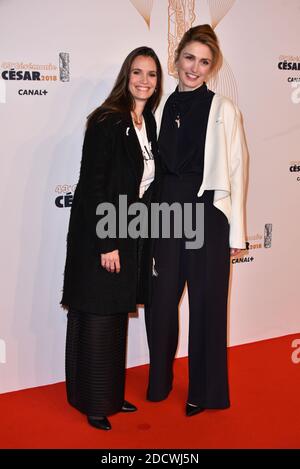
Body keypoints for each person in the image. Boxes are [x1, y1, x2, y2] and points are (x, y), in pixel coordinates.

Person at [145, 24, 248, 416]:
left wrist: (236, 232)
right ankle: (159, 381)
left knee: (207, 305)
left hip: (207, 215)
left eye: (204, 62)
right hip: (165, 216)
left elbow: (237, 172)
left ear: (211, 68)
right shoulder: (161, 107)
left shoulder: (224, 109)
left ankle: (204, 392)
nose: (195, 67)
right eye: (189, 58)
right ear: (176, 59)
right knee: (160, 303)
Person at [61, 47, 162, 430]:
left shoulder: (146, 121)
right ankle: (94, 402)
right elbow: (93, 185)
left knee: (115, 315)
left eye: (151, 74)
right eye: (137, 72)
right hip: (103, 235)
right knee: (98, 315)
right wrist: (108, 242)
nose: (144, 81)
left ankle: (110, 392)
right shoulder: (107, 120)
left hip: (131, 233)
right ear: (126, 75)